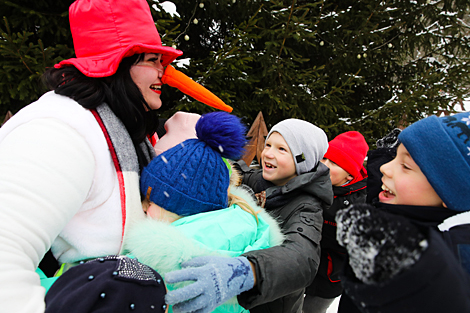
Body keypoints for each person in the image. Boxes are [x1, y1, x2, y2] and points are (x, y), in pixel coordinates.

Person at [0, 0, 226, 311]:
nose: (164, 70)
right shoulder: (59, 130)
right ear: (117, 64)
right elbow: (5, 251)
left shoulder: (128, 128)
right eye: (152, 59)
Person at [163, 119, 334, 313]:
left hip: (272, 306)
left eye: (281, 149)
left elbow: (303, 258)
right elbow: (238, 170)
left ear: (302, 160)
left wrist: (247, 271)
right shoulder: (260, 180)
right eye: (268, 144)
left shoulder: (307, 207)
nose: (268, 153)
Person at [123, 111, 284, 313]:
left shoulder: (159, 261)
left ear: (184, 210)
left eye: (150, 200)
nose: (144, 206)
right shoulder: (241, 228)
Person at [335, 111, 470, 312]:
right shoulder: (400, 209)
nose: (385, 168)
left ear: (450, 190)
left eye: (405, 166)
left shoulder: (444, 265)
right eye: (393, 156)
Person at [303, 131, 369, 313]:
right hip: (302, 266)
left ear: (349, 176)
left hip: (329, 278)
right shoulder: (311, 182)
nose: (324, 166)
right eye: (324, 158)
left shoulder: (357, 207)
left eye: (334, 163)